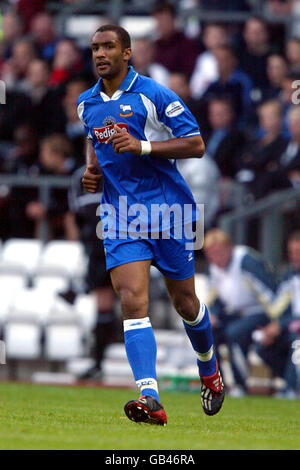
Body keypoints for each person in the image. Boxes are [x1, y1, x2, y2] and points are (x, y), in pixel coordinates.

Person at [78, 24, 225, 425]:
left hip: (170, 214)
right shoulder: (86, 103)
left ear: (127, 53)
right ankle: (150, 397)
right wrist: (92, 174)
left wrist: (143, 146)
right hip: (120, 216)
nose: (100, 54)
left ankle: (209, 368)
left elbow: (196, 143)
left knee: (186, 304)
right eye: (95, 48)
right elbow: (95, 144)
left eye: (109, 46)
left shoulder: (154, 94)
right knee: (132, 300)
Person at [203, 228, 276, 396]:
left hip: (258, 311)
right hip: (234, 313)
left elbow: (268, 294)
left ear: (229, 247)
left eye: (219, 253)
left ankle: (240, 383)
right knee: (207, 333)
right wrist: (212, 314)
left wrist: (275, 321)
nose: (215, 258)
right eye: (211, 254)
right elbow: (214, 299)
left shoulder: (246, 261)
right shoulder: (213, 268)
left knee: (234, 333)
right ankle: (216, 383)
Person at [254, 231, 300, 399]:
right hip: (290, 328)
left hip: (294, 330)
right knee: (262, 346)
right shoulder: (289, 276)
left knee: (297, 342)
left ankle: (290, 389)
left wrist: (281, 324)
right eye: (292, 252)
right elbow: (279, 307)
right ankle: (292, 382)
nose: (295, 257)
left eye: (298, 252)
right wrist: (271, 327)